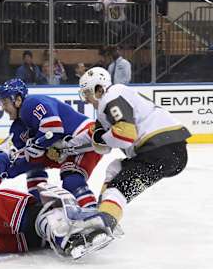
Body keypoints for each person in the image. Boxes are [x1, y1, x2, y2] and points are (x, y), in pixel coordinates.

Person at [71, 66, 191, 236]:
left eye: (87, 93)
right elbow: (92, 137)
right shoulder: (112, 103)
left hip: (160, 150)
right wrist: (65, 146)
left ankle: (103, 223)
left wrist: (103, 139)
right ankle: (105, 211)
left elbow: (125, 135)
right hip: (168, 150)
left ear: (99, 89)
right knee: (115, 169)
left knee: (118, 188)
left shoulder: (111, 97)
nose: (86, 100)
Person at [0, 78, 102, 209]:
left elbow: (53, 128)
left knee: (72, 178)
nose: (3, 108)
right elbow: (32, 161)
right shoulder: (17, 129)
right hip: (64, 149)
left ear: (18, 100)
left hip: (83, 136)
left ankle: (93, 213)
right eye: (1, 103)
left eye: (5, 103)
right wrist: (6, 171)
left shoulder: (30, 104)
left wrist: (39, 145)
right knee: (34, 170)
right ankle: (40, 208)